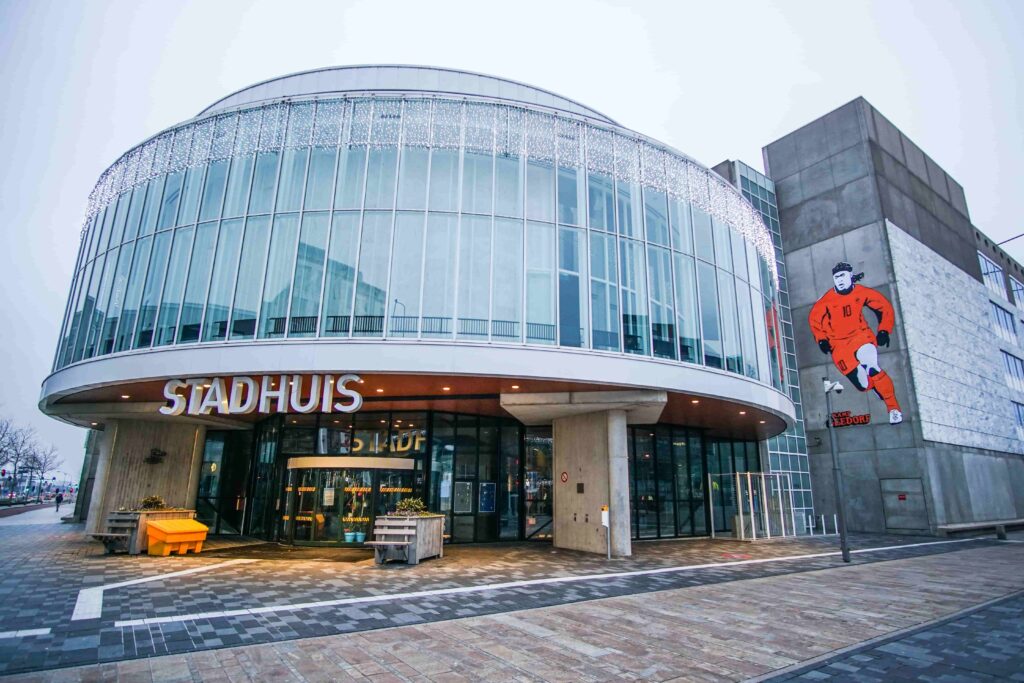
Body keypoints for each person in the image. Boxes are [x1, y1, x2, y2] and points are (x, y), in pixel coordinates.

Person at [809, 262, 903, 425]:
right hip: (839, 346)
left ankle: (894, 409)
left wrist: (883, 330)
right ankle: (875, 386)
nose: (840, 280)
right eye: (836, 277)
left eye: (843, 276)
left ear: (850, 276)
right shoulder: (826, 301)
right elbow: (814, 320)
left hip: (861, 337)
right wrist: (822, 339)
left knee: (872, 366)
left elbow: (884, 307)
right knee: (863, 385)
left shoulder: (862, 292)